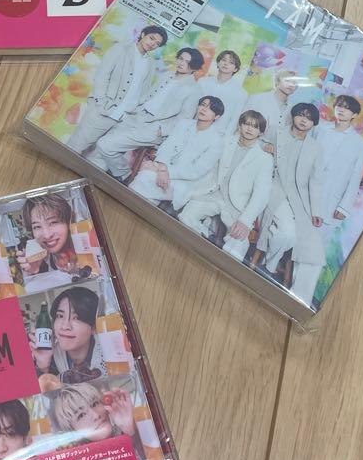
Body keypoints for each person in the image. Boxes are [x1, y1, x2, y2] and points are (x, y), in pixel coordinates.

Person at [88, 48, 205, 180]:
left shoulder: (194, 89)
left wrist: (162, 130)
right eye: (181, 58)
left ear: (195, 67)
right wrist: (135, 110)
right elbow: (149, 95)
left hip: (155, 128)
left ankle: (124, 175)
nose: (182, 63)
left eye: (188, 62)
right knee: (101, 150)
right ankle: (94, 175)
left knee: (105, 144)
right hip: (138, 116)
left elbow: (184, 119)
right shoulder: (167, 75)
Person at [179, 109, 274, 260]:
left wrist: (245, 221)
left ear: (261, 132)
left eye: (255, 126)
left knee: (237, 246)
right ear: (240, 125)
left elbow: (261, 194)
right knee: (186, 217)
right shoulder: (225, 142)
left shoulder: (264, 159)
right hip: (213, 195)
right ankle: (207, 239)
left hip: (237, 206)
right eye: (246, 124)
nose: (249, 129)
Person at [258, 103, 326, 307]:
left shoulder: (314, 147)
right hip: (274, 190)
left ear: (314, 123)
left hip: (299, 199)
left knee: (310, 244)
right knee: (287, 234)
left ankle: (297, 295)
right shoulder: (276, 132)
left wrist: (316, 211)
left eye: (309, 118)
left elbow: (316, 180)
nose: (304, 120)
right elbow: (254, 143)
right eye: (300, 115)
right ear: (293, 116)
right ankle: (269, 267)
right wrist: (265, 148)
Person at [66, 26, 167, 156]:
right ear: (143, 34)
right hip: (103, 110)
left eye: (157, 43)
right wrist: (100, 102)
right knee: (75, 146)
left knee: (96, 155)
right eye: (151, 38)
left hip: (124, 118)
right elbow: (102, 75)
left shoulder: (151, 64)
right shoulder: (121, 49)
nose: (152, 44)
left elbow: (143, 91)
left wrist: (134, 113)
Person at [130, 96, 227, 209]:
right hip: (163, 169)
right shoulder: (184, 124)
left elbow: (197, 171)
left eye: (210, 108)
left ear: (216, 116)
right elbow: (167, 147)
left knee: (145, 177)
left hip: (185, 181)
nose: (204, 109)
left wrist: (163, 171)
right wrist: (162, 167)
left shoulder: (217, 141)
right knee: (146, 186)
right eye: (203, 105)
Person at [31, 286, 104, 384]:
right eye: (60, 316)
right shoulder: (53, 356)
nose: (65, 326)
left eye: (76, 318)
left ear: (94, 327)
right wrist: (43, 367)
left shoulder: (108, 355)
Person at [316, 95, 363, 224]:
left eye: (347, 108)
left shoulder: (360, 144)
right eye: (339, 106)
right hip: (307, 187)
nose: (341, 109)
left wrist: (344, 207)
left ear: (354, 115)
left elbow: (355, 177)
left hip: (330, 196)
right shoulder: (319, 129)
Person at [49, 382, 136, 443]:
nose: (96, 415)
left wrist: (129, 431)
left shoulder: (125, 427)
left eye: (95, 404)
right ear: (73, 431)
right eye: (81, 415)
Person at [16, 192, 78, 276]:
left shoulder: (86, 246)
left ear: (68, 221)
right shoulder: (46, 257)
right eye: (37, 226)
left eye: (53, 222)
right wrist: (36, 269)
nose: (47, 235)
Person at [243, 70, 301, 156]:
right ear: (277, 81)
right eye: (287, 80)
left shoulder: (294, 109)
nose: (290, 85)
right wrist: (262, 145)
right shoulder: (257, 98)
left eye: (294, 83)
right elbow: (241, 126)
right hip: (248, 149)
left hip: (274, 155)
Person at [193, 50, 248, 129]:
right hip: (195, 126)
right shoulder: (203, 82)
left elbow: (234, 119)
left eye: (231, 62)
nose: (226, 64)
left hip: (219, 131)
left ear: (235, 69)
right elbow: (193, 106)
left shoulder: (240, 92)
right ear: (218, 63)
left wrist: (226, 135)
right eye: (224, 60)